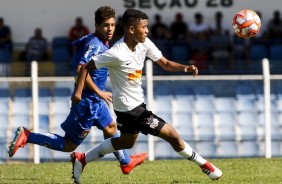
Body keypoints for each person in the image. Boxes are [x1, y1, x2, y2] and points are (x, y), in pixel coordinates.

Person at [71, 8, 223, 184]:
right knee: (172, 135)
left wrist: (185, 67)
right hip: (131, 110)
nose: (147, 31)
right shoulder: (116, 52)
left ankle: (82, 159)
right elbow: (85, 67)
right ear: (131, 29)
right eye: (144, 27)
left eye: (147, 27)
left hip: (133, 106)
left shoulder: (144, 43)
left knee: (126, 142)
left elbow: (165, 63)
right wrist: (79, 91)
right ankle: (205, 165)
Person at [8, 6, 147, 174]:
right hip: (87, 103)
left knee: (110, 127)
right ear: (97, 26)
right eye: (105, 25)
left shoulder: (96, 40)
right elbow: (82, 68)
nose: (110, 29)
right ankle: (27, 135)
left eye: (112, 25)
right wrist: (95, 92)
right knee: (68, 145)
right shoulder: (97, 45)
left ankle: (126, 162)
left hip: (95, 102)